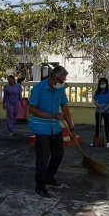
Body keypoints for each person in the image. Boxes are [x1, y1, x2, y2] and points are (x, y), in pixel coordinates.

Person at [28, 66, 74, 198]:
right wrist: (51, 116)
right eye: (61, 81)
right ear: (53, 78)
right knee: (42, 158)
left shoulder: (60, 90)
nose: (63, 83)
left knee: (58, 154)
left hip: (56, 128)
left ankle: (49, 177)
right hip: (42, 128)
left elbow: (65, 109)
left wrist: (71, 129)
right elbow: (31, 109)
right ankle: (40, 187)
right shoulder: (39, 89)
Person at [91, 77, 109, 149]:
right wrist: (99, 107)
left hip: (107, 111)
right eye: (101, 83)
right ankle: (96, 141)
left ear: (106, 84)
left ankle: (108, 142)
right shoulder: (97, 92)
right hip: (98, 111)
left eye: (103, 83)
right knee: (98, 126)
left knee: (107, 126)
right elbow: (94, 100)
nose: (102, 85)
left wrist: (105, 109)